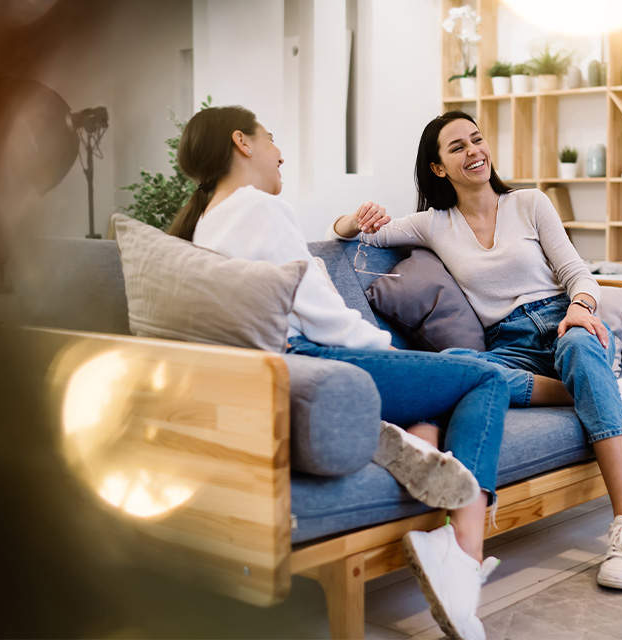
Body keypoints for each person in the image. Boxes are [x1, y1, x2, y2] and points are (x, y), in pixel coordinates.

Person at [167, 106, 501, 640]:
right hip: (315, 360)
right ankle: (461, 554)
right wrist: (393, 354)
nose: (280, 152)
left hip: (287, 364)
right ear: (242, 143)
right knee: (486, 378)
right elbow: (322, 314)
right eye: (271, 139)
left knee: (445, 379)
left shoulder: (212, 217)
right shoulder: (259, 208)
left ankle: (417, 445)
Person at [331, 111, 622, 591]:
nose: (474, 151)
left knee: (581, 351)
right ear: (438, 168)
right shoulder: (434, 225)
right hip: (509, 343)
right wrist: (353, 218)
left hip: (564, 320)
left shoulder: (530, 204)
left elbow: (578, 273)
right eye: (457, 147)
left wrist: (580, 307)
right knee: (455, 366)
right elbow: (352, 234)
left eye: (476, 140)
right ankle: (617, 396)